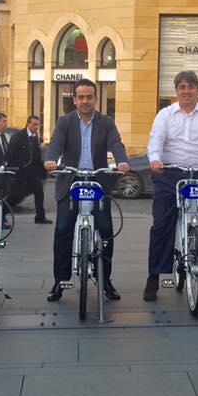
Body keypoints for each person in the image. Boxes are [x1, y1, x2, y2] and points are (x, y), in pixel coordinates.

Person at [143, 70, 198, 302]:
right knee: (161, 226)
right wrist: (155, 159)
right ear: (176, 91)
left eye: (191, 87)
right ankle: (154, 277)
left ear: (197, 90)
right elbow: (156, 140)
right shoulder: (165, 115)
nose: (186, 91)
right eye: (182, 87)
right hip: (169, 174)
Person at [44, 79, 130, 303]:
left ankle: (105, 279)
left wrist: (122, 161)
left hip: (97, 182)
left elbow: (116, 143)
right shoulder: (65, 122)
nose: (85, 101)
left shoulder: (106, 122)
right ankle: (60, 281)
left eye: (89, 97)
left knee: (106, 230)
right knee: (62, 229)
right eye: (80, 97)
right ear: (74, 100)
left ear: (96, 99)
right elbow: (55, 143)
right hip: (71, 181)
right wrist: (51, 159)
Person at [8, 114, 51, 224]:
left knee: (39, 193)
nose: (36, 127)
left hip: (33, 170)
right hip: (22, 170)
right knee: (15, 195)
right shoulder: (18, 136)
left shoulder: (35, 136)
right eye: (34, 124)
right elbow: (11, 153)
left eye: (38, 125)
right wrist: (17, 166)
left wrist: (42, 167)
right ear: (28, 124)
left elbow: (37, 154)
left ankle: (40, 217)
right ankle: (1, 214)